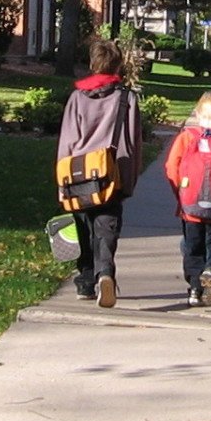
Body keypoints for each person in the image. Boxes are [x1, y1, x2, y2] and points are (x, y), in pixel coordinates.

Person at [57, 38, 144, 308]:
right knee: (106, 228)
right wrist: (128, 181)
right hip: (110, 174)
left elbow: (67, 141)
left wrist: (62, 182)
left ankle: (85, 281)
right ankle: (105, 273)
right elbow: (133, 141)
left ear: (92, 64)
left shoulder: (76, 98)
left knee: (83, 226)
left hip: (78, 174)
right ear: (118, 65)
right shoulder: (126, 99)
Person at [164, 90, 211, 308]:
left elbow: (171, 167)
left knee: (192, 249)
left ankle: (195, 289)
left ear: (197, 114)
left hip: (190, 209)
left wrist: (180, 192)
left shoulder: (186, 138)